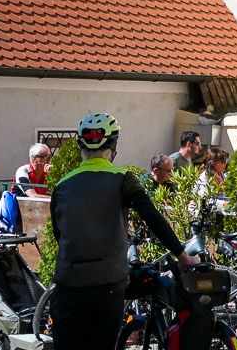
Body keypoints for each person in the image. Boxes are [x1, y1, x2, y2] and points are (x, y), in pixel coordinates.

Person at [48, 113, 194, 350]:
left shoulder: (62, 185)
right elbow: (154, 219)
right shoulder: (122, 178)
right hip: (107, 286)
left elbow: (60, 234)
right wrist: (182, 255)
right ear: (113, 145)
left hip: (69, 286)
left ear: (80, 144)